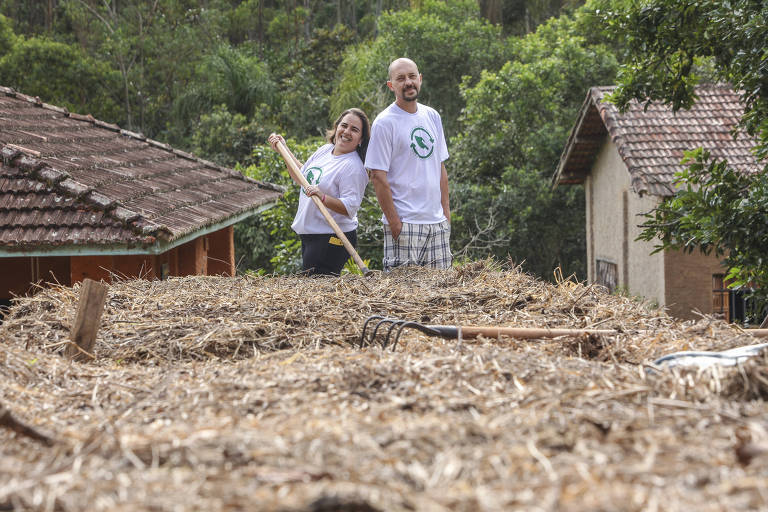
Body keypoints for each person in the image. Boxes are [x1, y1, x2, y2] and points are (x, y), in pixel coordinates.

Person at [365, 57, 451, 271]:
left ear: (420, 79)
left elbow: (440, 168)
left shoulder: (432, 116)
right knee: (404, 299)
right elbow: (377, 176)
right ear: (391, 85)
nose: (408, 82)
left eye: (412, 76)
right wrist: (395, 223)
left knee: (442, 296)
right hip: (406, 223)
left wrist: (446, 216)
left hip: (436, 223)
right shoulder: (385, 122)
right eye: (400, 78)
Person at [268, 107, 370, 276]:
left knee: (317, 290)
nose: (346, 132)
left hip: (332, 237)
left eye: (354, 129)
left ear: (360, 139)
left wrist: (322, 197)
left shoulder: (353, 167)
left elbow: (350, 207)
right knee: (314, 290)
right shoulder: (325, 150)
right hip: (312, 235)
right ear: (336, 127)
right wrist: (284, 151)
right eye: (344, 126)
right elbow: (303, 176)